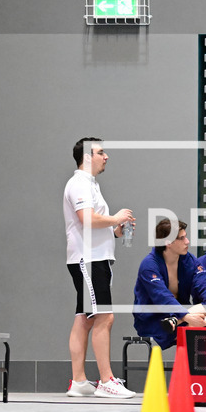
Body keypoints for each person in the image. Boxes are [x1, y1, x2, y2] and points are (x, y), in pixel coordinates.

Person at [63, 137, 136, 398]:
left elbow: (94, 224)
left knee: (84, 319)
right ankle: (106, 381)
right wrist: (115, 217)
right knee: (105, 317)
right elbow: (86, 219)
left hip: (95, 257)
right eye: (100, 152)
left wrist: (115, 232)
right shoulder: (79, 184)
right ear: (86, 156)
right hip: (88, 260)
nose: (106, 157)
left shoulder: (90, 184)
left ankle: (79, 381)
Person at [133, 219, 206, 349]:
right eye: (182, 238)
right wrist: (187, 316)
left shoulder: (189, 260)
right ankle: (188, 368)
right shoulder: (149, 266)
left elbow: (204, 284)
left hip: (179, 316)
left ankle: (176, 321)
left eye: (185, 237)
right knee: (203, 328)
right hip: (154, 320)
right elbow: (162, 297)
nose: (187, 242)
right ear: (168, 242)